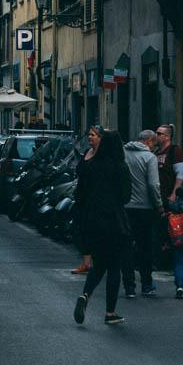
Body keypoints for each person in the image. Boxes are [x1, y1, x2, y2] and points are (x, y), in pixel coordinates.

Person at [73, 129, 132, 327]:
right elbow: (126, 197)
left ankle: (85, 294)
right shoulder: (120, 166)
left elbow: (80, 192)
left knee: (98, 265)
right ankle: (110, 312)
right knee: (114, 267)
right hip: (114, 222)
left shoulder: (93, 166)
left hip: (92, 221)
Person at [122, 129, 164, 298]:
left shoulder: (123, 154)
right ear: (148, 141)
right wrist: (159, 205)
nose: (155, 147)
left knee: (126, 247)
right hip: (144, 209)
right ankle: (146, 284)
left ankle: (129, 286)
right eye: (154, 143)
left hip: (125, 207)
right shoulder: (149, 158)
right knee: (145, 247)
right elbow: (154, 185)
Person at [72, 125, 103, 274]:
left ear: (101, 138)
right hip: (82, 198)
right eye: (89, 135)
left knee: (95, 230)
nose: (90, 137)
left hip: (96, 199)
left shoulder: (103, 156)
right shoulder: (87, 152)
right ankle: (86, 263)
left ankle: (98, 262)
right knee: (81, 229)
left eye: (94, 135)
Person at [155, 124, 183, 202]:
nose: (155, 135)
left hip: (168, 195)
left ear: (167, 137)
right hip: (158, 196)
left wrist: (174, 195)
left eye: (159, 134)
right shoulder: (156, 152)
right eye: (155, 133)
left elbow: (180, 174)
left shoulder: (175, 151)